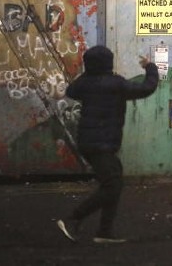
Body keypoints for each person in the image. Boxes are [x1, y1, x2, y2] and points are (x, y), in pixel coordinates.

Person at [57, 45, 159, 244]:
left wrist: (87, 74)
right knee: (112, 186)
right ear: (108, 63)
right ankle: (73, 219)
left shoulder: (85, 83)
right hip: (102, 144)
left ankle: (105, 231)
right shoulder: (116, 84)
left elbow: (71, 89)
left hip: (89, 142)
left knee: (113, 183)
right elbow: (147, 88)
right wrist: (150, 67)